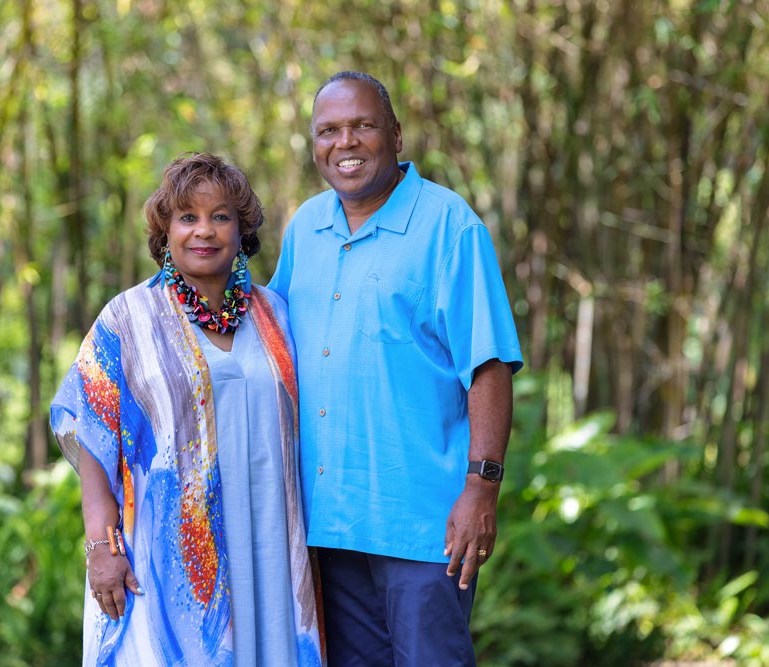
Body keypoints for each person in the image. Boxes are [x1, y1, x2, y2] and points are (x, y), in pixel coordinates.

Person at [268, 71, 524, 666]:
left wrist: (481, 488)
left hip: (423, 526)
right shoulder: (306, 228)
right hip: (327, 524)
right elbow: (270, 342)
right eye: (328, 130)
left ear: (396, 135)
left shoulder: (448, 226)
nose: (345, 142)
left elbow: (488, 366)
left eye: (362, 126)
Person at [51, 152, 323, 667]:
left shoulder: (277, 316)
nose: (205, 231)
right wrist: (100, 548)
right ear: (166, 232)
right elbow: (92, 434)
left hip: (272, 544)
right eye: (188, 217)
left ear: (241, 231)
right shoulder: (128, 318)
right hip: (169, 559)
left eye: (221, 216)